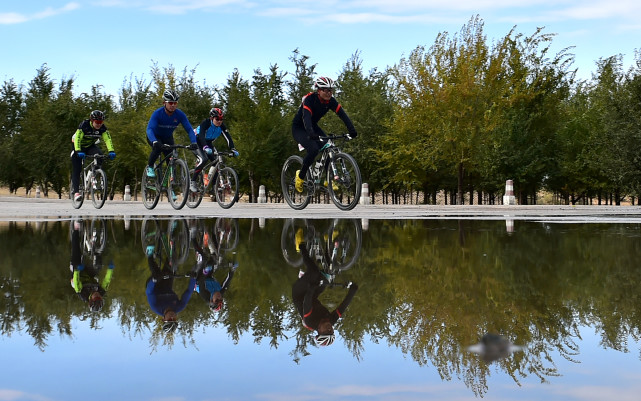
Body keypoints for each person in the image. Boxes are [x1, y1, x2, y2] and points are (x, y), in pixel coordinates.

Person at [291, 76, 358, 192]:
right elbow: (306, 118)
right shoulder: (310, 99)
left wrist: (352, 130)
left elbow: (343, 115)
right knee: (313, 149)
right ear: (319, 90)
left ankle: (329, 178)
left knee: (329, 146)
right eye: (326, 90)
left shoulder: (331, 101)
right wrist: (311, 133)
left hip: (313, 126)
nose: (329, 93)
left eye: (330, 90)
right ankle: (300, 176)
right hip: (300, 128)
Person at [291, 241, 359, 346]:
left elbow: (306, 302)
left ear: (319, 331)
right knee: (329, 274)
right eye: (331, 331)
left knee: (314, 272)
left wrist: (312, 288)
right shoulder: (331, 321)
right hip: (314, 295)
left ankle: (302, 247)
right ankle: (328, 243)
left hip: (300, 294)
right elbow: (343, 306)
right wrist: (352, 291)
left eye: (326, 332)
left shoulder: (310, 322)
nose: (329, 329)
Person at [145, 89, 201, 193]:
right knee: (157, 149)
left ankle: (170, 188)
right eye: (170, 103)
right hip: (154, 136)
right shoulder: (157, 113)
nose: (173, 105)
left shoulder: (179, 115)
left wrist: (194, 142)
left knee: (172, 160)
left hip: (167, 137)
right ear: (164, 103)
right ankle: (150, 167)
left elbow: (189, 129)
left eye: (175, 103)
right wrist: (154, 141)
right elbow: (149, 129)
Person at [145, 241, 197, 334]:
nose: (172, 316)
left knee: (156, 272)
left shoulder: (156, 307)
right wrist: (193, 278)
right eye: (174, 319)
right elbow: (189, 291)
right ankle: (172, 237)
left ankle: (149, 255)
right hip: (167, 284)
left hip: (154, 286)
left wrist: (154, 280)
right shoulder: (179, 307)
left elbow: (149, 292)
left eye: (170, 319)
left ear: (163, 319)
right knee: (173, 263)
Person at [69, 219, 114, 312]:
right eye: (99, 298)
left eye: (95, 297)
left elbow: (77, 283)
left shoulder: (83, 295)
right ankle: (95, 244)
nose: (97, 295)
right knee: (98, 265)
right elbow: (106, 281)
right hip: (89, 275)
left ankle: (76, 230)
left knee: (76, 256)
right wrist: (110, 270)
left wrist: (77, 270)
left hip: (78, 275)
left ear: (91, 299)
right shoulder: (101, 292)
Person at [71, 110, 116, 202]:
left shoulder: (103, 128)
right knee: (77, 168)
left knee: (99, 155)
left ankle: (94, 172)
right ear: (92, 121)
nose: (99, 124)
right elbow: (77, 139)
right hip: (77, 145)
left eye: (101, 122)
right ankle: (76, 192)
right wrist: (78, 151)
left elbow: (108, 139)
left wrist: (111, 151)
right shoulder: (84, 125)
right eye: (97, 122)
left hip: (90, 146)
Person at [191, 107, 239, 187]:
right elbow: (201, 136)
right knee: (204, 159)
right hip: (197, 140)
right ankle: (193, 181)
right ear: (211, 118)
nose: (219, 121)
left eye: (221, 119)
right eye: (217, 119)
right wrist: (205, 147)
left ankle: (214, 187)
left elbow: (228, 138)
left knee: (217, 162)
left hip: (208, 142)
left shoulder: (222, 126)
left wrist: (232, 149)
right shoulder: (206, 123)